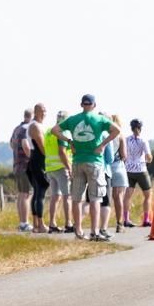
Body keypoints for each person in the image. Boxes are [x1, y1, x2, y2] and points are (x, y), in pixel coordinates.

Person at [51, 95, 119, 242]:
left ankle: (78, 231)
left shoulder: (72, 119)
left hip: (77, 162)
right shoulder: (100, 119)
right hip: (95, 162)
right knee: (95, 198)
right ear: (94, 105)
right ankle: (94, 232)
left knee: (76, 198)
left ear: (81, 104)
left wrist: (69, 141)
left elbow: (54, 130)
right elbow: (116, 130)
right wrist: (102, 145)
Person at [44, 110, 73, 233]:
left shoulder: (48, 131)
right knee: (67, 196)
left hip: (50, 168)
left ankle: (52, 223)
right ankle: (68, 224)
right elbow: (62, 152)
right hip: (61, 167)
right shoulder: (63, 132)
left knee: (55, 196)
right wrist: (69, 168)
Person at [123, 119, 153, 227]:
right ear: (140, 128)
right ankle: (146, 220)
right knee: (148, 195)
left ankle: (126, 220)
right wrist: (149, 160)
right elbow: (149, 157)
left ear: (131, 128)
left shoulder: (126, 139)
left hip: (128, 170)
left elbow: (123, 154)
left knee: (127, 196)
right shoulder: (143, 140)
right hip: (141, 170)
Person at [26, 103, 50, 233]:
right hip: (38, 159)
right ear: (35, 112)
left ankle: (36, 224)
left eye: (45, 110)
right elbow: (42, 146)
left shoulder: (39, 125)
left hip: (36, 159)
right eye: (42, 110)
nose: (44, 113)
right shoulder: (35, 126)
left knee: (37, 192)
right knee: (40, 191)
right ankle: (40, 224)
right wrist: (49, 160)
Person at [10, 108, 33, 232]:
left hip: (17, 164)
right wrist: (32, 159)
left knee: (21, 194)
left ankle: (22, 222)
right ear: (32, 115)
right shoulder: (27, 128)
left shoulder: (17, 129)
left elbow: (11, 144)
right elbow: (25, 144)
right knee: (26, 194)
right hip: (26, 165)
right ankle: (25, 223)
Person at [107, 113, 128, 233]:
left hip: (105, 167)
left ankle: (102, 224)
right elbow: (124, 155)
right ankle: (120, 223)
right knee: (118, 196)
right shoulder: (120, 135)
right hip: (118, 167)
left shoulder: (103, 135)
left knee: (104, 197)